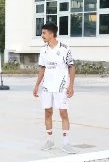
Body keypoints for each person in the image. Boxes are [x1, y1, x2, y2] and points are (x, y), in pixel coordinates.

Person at [33, 22, 77, 154]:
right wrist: (37, 85)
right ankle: (50, 140)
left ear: (52, 34)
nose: (42, 35)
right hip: (47, 86)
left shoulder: (65, 48)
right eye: (42, 33)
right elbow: (42, 68)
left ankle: (66, 143)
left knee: (63, 113)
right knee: (47, 112)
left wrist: (71, 85)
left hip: (61, 86)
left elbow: (72, 67)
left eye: (44, 33)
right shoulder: (43, 50)